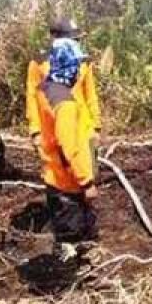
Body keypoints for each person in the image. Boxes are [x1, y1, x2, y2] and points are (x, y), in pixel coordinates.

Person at [35, 38, 99, 260]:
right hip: (68, 183)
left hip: (54, 175)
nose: (79, 71)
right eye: (76, 65)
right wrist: (86, 182)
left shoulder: (45, 89)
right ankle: (69, 283)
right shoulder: (66, 104)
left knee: (65, 235)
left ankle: (68, 271)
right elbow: (69, 147)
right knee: (73, 238)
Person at [26, 17, 101, 163]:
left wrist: (96, 128)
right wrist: (35, 131)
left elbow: (90, 95)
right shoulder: (39, 63)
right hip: (53, 131)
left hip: (83, 130)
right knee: (60, 179)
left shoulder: (84, 62)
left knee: (86, 177)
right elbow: (32, 98)